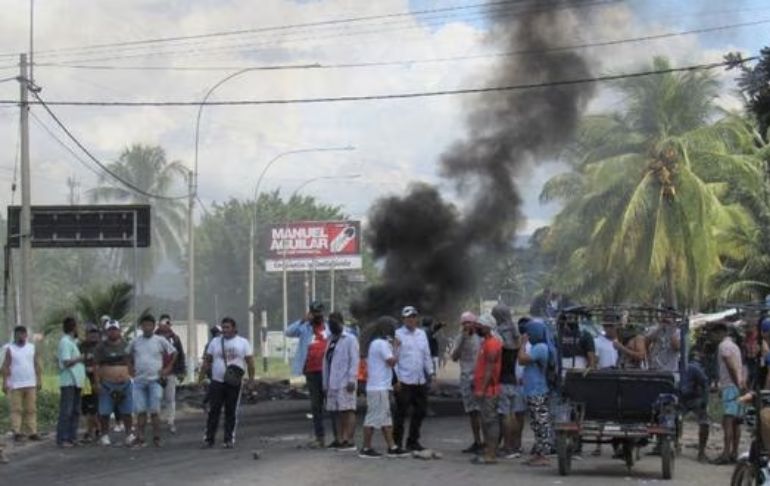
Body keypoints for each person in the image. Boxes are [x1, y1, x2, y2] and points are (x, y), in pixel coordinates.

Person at [199, 317, 255, 449]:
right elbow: (207, 361)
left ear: (234, 328)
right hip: (217, 381)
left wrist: (251, 380)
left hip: (234, 383)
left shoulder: (243, 343)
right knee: (214, 410)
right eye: (223, 327)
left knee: (231, 411)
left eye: (228, 327)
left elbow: (250, 363)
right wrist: (200, 378)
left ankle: (228, 439)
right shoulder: (215, 342)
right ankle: (209, 439)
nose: (225, 330)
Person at [359, 316, 407, 458]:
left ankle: (392, 447)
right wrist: (398, 348)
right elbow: (392, 362)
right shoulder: (381, 344)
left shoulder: (376, 343)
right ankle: (366, 448)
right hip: (378, 387)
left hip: (379, 387)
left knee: (386, 419)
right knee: (372, 418)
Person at [127, 315, 177, 447]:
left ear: (154, 326)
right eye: (144, 325)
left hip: (155, 380)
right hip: (139, 381)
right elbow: (127, 354)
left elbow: (174, 353)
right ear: (141, 327)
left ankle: (156, 437)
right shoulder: (135, 341)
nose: (147, 328)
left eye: (150, 325)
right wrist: (130, 367)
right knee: (141, 411)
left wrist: (168, 368)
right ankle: (141, 436)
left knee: (155, 410)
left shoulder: (160, 340)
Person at [286, 300, 330, 448]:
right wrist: (303, 319)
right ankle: (320, 437)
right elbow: (288, 332)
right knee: (316, 406)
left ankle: (340, 438)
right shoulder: (305, 327)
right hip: (311, 371)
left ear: (323, 312)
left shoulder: (329, 327)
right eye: (314, 312)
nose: (317, 315)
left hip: (328, 371)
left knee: (334, 403)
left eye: (319, 312)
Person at [393, 305, 434, 452]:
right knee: (401, 413)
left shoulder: (421, 334)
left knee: (421, 411)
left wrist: (431, 373)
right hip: (404, 379)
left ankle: (413, 441)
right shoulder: (397, 334)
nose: (411, 319)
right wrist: (395, 379)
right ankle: (396, 443)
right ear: (403, 319)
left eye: (414, 316)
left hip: (419, 379)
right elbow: (394, 358)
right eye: (408, 317)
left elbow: (426, 355)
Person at [94, 319, 135, 447]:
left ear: (119, 331)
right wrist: (97, 383)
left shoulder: (126, 345)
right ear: (107, 331)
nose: (113, 332)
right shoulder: (100, 347)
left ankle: (129, 434)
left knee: (127, 411)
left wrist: (133, 378)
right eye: (110, 330)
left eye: (115, 330)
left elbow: (132, 363)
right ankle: (104, 435)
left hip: (125, 383)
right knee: (105, 411)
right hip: (107, 384)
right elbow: (95, 366)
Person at [518, 319, 554, 467]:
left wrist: (522, 344)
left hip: (538, 390)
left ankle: (544, 455)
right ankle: (539, 453)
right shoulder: (539, 346)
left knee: (541, 423)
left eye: (528, 332)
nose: (527, 335)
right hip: (534, 390)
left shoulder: (540, 347)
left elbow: (521, 360)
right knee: (536, 423)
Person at [322, 311, 359, 451]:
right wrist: (325, 384)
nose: (332, 326)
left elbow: (354, 360)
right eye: (330, 323)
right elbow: (326, 362)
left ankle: (349, 441)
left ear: (341, 323)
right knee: (337, 411)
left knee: (348, 410)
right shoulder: (330, 340)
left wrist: (352, 379)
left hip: (345, 382)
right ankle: (339, 439)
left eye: (334, 323)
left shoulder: (350, 339)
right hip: (332, 382)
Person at [492, 304, 525, 459]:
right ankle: (514, 444)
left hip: (503, 379)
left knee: (504, 415)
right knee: (513, 414)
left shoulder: (498, 334)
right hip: (515, 379)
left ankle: (506, 446)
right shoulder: (515, 332)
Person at [471, 314, 503, 465]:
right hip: (485, 389)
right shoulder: (486, 342)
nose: (477, 328)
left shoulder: (492, 344)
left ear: (488, 327)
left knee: (490, 421)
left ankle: (491, 454)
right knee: (486, 421)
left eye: (480, 325)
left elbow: (490, 369)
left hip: (489, 390)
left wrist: (482, 389)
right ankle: (488, 452)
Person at [712, 321, 745, 465]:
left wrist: (735, 381)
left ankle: (726, 453)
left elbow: (729, 363)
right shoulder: (735, 346)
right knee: (736, 422)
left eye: (713, 333)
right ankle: (734, 452)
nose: (712, 337)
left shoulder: (723, 346)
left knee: (728, 421)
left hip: (730, 386)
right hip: (737, 386)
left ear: (720, 332)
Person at [1, 326, 42, 441]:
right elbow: (5, 366)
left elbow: (36, 365)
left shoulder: (31, 348)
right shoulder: (10, 349)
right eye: (17, 334)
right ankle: (17, 432)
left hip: (30, 383)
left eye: (22, 334)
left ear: (26, 335)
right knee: (16, 409)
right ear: (14, 335)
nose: (20, 336)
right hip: (15, 384)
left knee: (31, 409)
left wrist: (39, 379)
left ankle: (32, 432)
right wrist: (4, 382)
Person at [451, 311, 482, 454]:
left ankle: (489, 441)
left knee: (484, 410)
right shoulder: (460, 337)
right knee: (472, 411)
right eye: (464, 323)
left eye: (469, 322)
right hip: (466, 377)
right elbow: (454, 357)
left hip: (481, 377)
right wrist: (463, 339)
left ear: (475, 323)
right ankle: (477, 441)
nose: (466, 325)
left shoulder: (482, 337)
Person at [56, 317, 86, 448]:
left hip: (76, 381)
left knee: (75, 410)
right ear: (73, 328)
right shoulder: (65, 342)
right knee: (66, 411)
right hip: (68, 381)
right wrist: (80, 358)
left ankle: (72, 437)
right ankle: (63, 438)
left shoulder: (72, 342)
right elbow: (66, 362)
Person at [155, 314, 186, 434]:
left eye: (168, 323)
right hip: (155, 373)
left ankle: (170, 421)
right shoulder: (153, 337)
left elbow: (180, 355)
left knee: (170, 398)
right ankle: (155, 420)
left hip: (170, 372)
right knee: (156, 397)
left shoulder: (175, 338)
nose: (166, 325)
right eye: (164, 323)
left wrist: (181, 371)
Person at [680, 350, 710, 463]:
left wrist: (705, 401)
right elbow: (705, 383)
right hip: (684, 398)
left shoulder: (693, 368)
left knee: (704, 422)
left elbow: (705, 383)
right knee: (672, 420)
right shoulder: (689, 367)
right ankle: (700, 452)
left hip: (694, 398)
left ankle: (701, 451)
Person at [79, 323, 101, 442]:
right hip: (84, 380)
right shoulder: (81, 346)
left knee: (94, 407)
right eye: (90, 333)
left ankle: (90, 431)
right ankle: (97, 428)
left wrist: (95, 370)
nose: (93, 336)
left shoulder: (101, 347)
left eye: (95, 333)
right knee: (86, 408)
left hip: (97, 380)